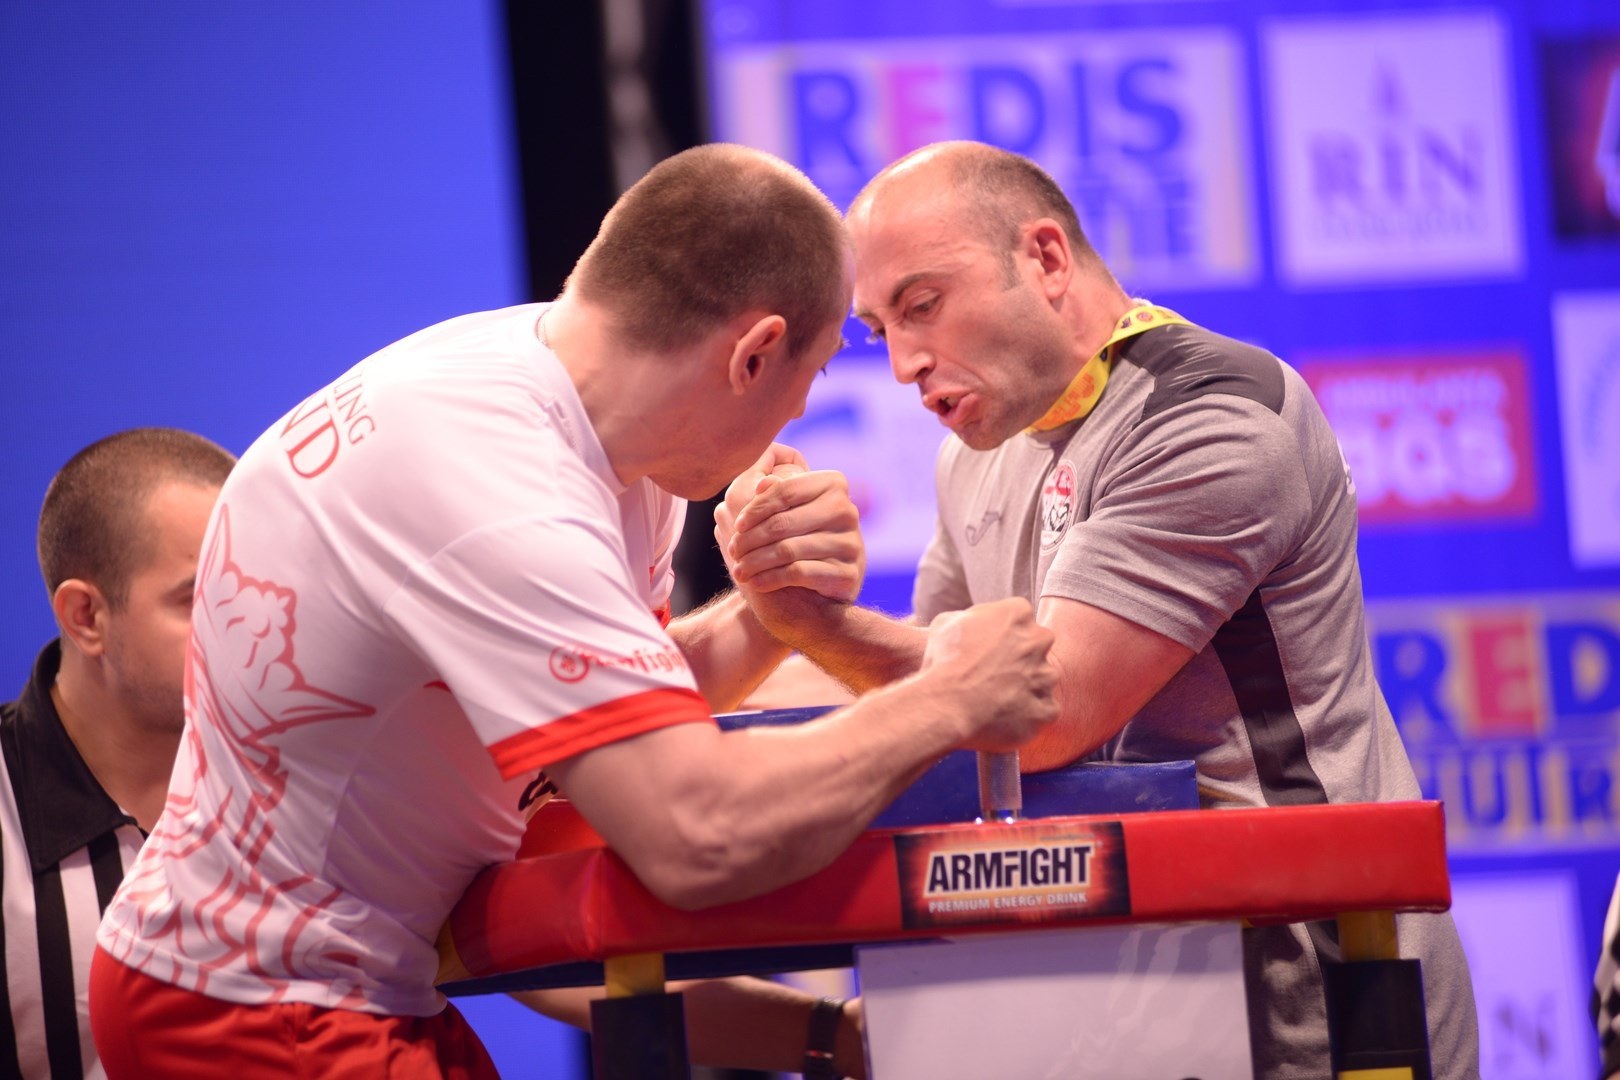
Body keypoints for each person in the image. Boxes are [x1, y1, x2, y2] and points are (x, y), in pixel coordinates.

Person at [89, 143, 1059, 1078]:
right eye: (806, 384)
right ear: (754, 354)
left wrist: (767, 617)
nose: (796, 420)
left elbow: (582, 722)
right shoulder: (500, 491)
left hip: (343, 978)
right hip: (252, 1004)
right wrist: (950, 694)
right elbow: (693, 832)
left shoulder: (596, 422)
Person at [717, 140, 1480, 1078]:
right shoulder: (974, 452)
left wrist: (809, 622)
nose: (906, 362)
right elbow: (927, 702)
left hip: (1315, 991)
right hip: (1113, 989)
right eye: (880, 331)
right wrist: (726, 652)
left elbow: (1041, 714)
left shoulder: (1216, 416)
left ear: (1044, 259)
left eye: (922, 306)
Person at [2, 427, 234, 1079]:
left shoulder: (314, 772)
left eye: (248, 587)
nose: (244, 623)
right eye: (198, 598)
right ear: (86, 618)